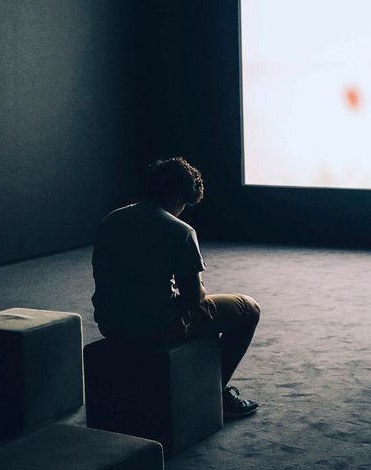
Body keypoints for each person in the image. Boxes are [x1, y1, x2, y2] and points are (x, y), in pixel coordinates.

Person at [91, 157, 261, 418]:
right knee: (248, 309)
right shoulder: (179, 230)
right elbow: (194, 299)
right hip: (156, 327)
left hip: (111, 322)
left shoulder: (110, 220)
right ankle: (216, 391)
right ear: (179, 196)